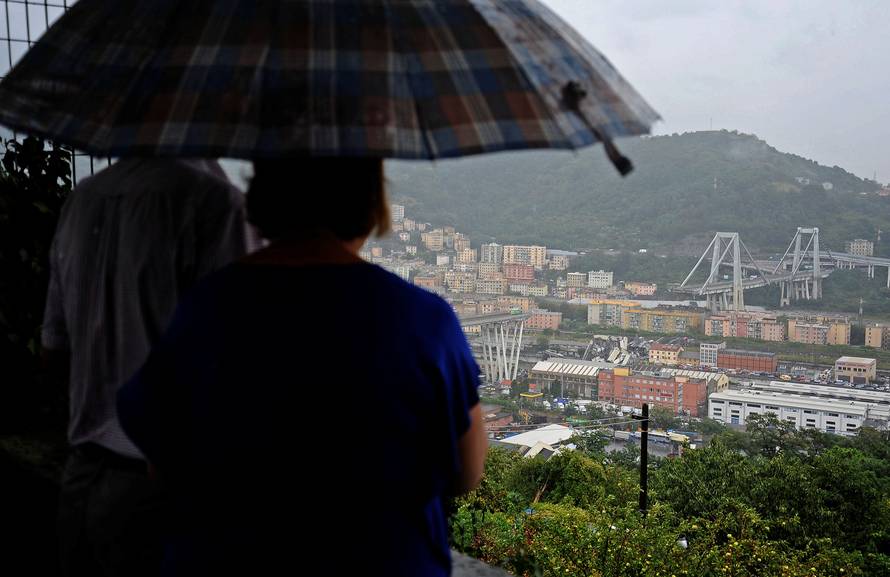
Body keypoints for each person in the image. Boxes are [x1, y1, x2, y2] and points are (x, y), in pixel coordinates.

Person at [117, 157, 487, 576]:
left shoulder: (204, 310)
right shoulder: (423, 321)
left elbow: (162, 465)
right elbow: (467, 472)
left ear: (265, 195)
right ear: (370, 203)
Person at [42, 158, 247, 577]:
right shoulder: (216, 204)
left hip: (81, 475)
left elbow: (53, 347)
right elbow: (236, 362)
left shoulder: (82, 198)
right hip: (161, 490)